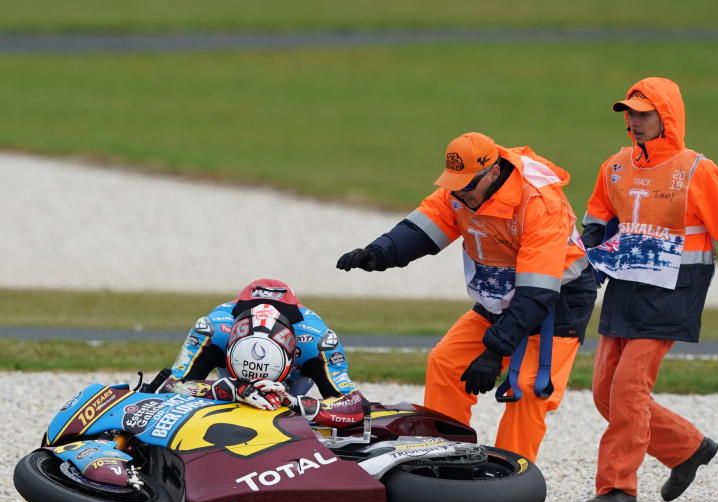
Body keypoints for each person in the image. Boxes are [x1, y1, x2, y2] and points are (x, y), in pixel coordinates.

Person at [336, 132, 596, 462]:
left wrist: (494, 351)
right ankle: (441, 459)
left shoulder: (539, 204)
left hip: (555, 304)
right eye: (453, 184)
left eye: (466, 185)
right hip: (501, 296)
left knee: (527, 390)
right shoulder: (461, 190)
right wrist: (377, 254)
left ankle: (511, 476)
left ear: (492, 172)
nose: (459, 192)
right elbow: (422, 229)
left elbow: (537, 292)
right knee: (445, 363)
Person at [580, 77, 718, 502]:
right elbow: (596, 229)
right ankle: (687, 448)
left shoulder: (696, 170)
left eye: (644, 113)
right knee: (604, 392)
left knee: (628, 390)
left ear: (667, 117)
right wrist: (582, 278)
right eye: (630, 112)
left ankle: (618, 486)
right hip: (626, 291)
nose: (635, 121)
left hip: (672, 294)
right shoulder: (613, 167)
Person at [168, 278, 365, 426]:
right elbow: (170, 387)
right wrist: (227, 389)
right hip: (231, 386)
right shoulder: (211, 330)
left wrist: (292, 401)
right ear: (229, 350)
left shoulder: (317, 341)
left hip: (290, 389)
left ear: (291, 357)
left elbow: (356, 405)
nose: (257, 385)